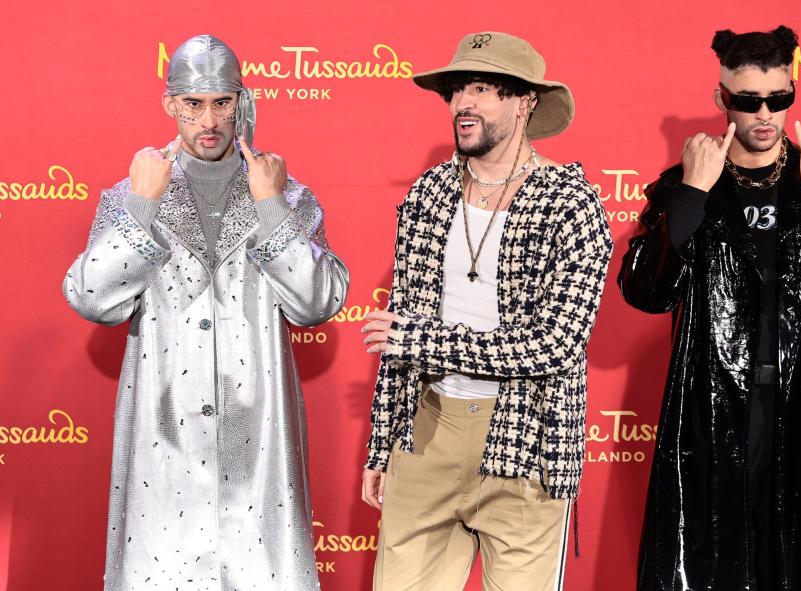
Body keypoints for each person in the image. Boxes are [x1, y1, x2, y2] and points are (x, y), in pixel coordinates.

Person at [62, 34, 348, 590]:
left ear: (241, 101)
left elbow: (317, 304)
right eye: (193, 104)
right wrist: (141, 207)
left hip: (258, 445)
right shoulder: (129, 196)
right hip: (163, 447)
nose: (209, 119)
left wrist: (270, 210)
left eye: (222, 102)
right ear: (170, 105)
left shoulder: (288, 197)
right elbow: (90, 298)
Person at [619, 25, 801, 591]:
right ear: (721, 98)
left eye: (780, 97)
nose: (765, 114)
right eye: (748, 101)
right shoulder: (685, 185)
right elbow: (645, 292)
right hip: (713, 412)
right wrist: (692, 194)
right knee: (711, 566)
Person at [359, 31, 613, 590]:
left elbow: (556, 344)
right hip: (425, 431)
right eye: (456, 91)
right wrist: (382, 445)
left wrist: (425, 341)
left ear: (526, 102)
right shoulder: (429, 194)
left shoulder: (570, 203)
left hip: (524, 443)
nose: (463, 104)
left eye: (482, 89)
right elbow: (399, 331)